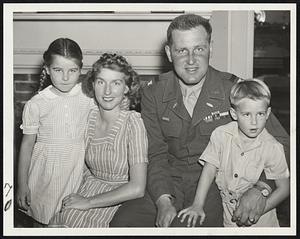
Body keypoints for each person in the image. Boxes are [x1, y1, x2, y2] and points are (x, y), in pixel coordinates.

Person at [110, 14, 290, 227]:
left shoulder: (233, 89)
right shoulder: (154, 93)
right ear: (169, 53)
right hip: (165, 182)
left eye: (199, 49)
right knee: (123, 223)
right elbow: (155, 153)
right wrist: (163, 201)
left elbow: (283, 145)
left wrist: (262, 187)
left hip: (212, 187)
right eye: (181, 50)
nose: (191, 61)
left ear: (210, 48)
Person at [48, 53, 148, 227]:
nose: (107, 91)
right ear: (93, 85)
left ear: (126, 88)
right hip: (87, 189)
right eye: (101, 82)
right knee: (61, 220)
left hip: (120, 199)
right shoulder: (89, 117)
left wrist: (88, 202)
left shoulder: (133, 123)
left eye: (116, 83)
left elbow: (138, 188)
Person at [177, 79, 290, 227]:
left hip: (263, 224)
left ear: (268, 113)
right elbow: (209, 169)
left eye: (260, 114)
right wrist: (197, 205)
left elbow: (284, 188)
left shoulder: (273, 148)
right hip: (228, 221)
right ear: (234, 114)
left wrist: (256, 211)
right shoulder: (221, 135)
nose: (254, 122)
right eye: (247, 114)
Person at [16, 38, 96, 226]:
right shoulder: (37, 103)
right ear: (47, 69)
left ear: (81, 69)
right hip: (45, 174)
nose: (66, 78)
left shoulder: (88, 97)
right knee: (42, 221)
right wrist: (22, 184)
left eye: (72, 70)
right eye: (58, 70)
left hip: (76, 171)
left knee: (68, 221)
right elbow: (27, 145)